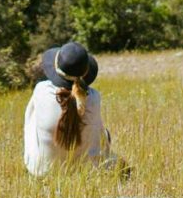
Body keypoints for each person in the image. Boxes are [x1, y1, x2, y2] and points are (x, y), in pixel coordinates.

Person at [23, 41, 120, 176]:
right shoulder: (94, 98)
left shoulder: (41, 90)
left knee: (33, 117)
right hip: (87, 172)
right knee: (102, 132)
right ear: (85, 73)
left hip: (42, 171)